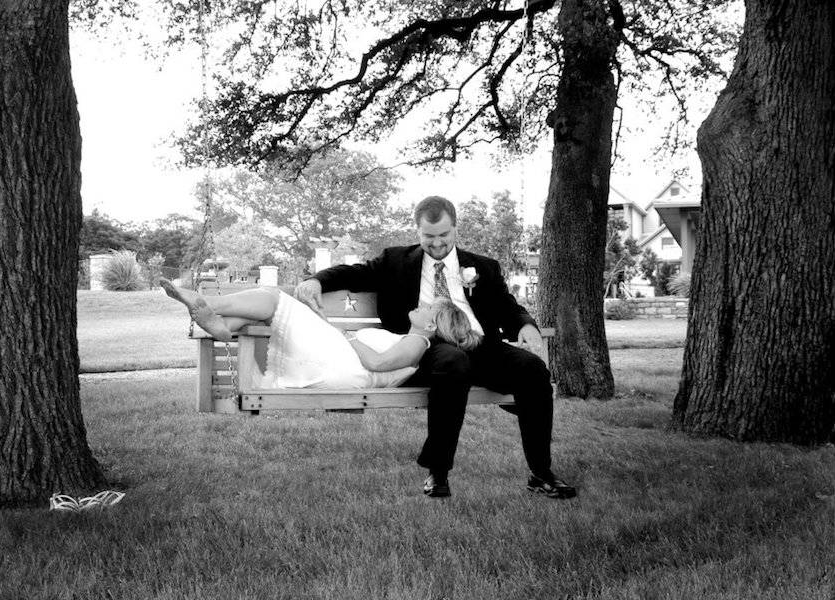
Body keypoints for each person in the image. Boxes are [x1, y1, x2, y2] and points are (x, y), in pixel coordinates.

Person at [294, 196, 576, 499]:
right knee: (453, 362)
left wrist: (525, 325)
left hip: (479, 344)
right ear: (417, 231)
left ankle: (541, 473)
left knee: (532, 369)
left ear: (455, 229)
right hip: (428, 348)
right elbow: (353, 274)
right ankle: (438, 472)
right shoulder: (395, 261)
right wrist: (316, 280)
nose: (437, 243)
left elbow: (508, 307)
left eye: (444, 235)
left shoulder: (483, 267)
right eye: (429, 236)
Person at [158, 279, 478, 389]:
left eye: (427, 310)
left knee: (274, 300)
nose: (420, 307)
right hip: (340, 358)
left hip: (342, 365)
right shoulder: (411, 340)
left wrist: (349, 337)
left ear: (432, 326)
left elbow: (379, 365)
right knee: (275, 306)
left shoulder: (416, 344)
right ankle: (223, 326)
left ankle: (206, 303)